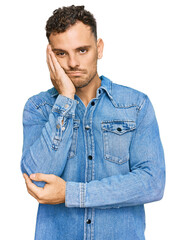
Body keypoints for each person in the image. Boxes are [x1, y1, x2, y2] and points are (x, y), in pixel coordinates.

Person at [21, 5, 165, 240]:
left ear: (99, 49)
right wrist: (65, 99)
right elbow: (38, 180)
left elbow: (152, 182)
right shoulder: (38, 108)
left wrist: (71, 193)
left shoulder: (136, 105)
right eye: (61, 53)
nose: (73, 63)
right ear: (50, 54)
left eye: (82, 50)